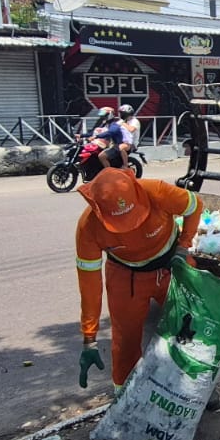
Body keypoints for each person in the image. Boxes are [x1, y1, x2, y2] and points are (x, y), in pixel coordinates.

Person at [74, 168, 201, 396]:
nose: (131, 227)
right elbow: (89, 287)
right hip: (126, 277)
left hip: (172, 266)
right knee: (125, 343)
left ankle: (198, 388)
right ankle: (125, 398)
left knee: (191, 328)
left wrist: (184, 245)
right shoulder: (88, 228)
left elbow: (194, 205)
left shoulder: (157, 191)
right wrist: (89, 339)